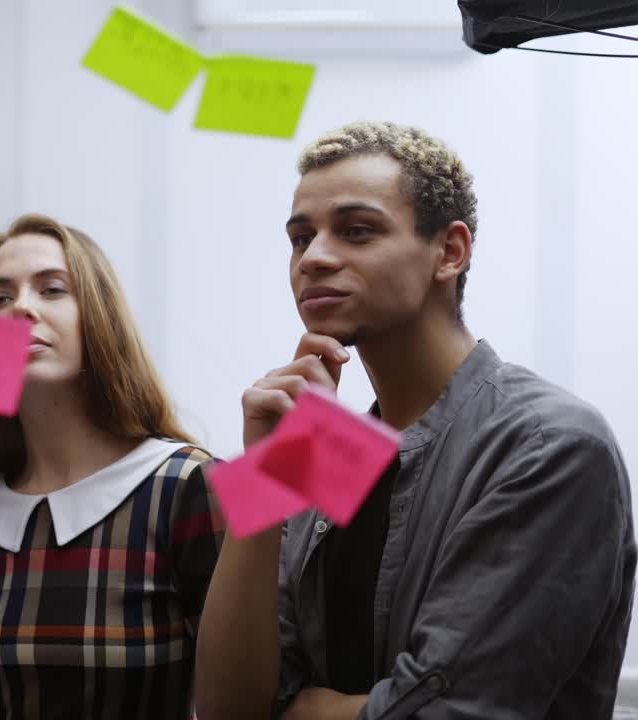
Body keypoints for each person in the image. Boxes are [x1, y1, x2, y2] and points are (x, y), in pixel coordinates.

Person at [194, 121, 636, 719]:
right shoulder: (324, 444)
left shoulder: (549, 443)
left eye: (356, 231)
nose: (315, 258)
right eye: (300, 238)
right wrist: (263, 475)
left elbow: (453, 712)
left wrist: (302, 711)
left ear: (449, 252)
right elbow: (228, 707)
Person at [0, 213, 223, 719]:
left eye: (52, 289)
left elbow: (254, 692)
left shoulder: (191, 486)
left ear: (100, 315)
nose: (21, 309)